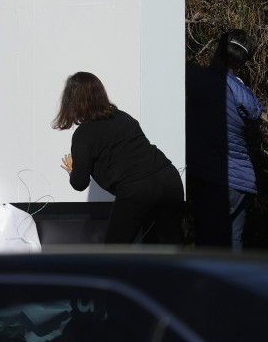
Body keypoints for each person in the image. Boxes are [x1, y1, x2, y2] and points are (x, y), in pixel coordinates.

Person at [54, 72, 184, 244]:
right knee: (167, 247)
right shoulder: (123, 117)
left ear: (72, 100)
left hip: (137, 190)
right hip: (169, 179)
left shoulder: (83, 134)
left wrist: (73, 171)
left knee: (115, 249)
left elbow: (80, 183)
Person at [186, 29, 264, 250]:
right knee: (231, 246)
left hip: (215, 179)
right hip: (242, 181)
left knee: (208, 246)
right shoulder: (243, 92)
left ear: (219, 50)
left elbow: (167, 74)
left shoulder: (205, 80)